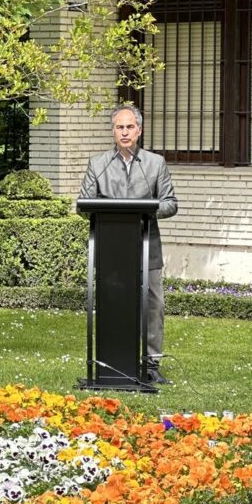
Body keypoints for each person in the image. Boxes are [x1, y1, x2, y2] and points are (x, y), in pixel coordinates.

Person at [80, 104, 178, 384]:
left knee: (153, 306)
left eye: (130, 127)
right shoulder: (98, 164)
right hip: (112, 249)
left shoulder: (155, 164)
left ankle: (151, 365)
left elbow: (170, 204)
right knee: (113, 303)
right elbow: (84, 204)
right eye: (119, 127)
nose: (124, 132)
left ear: (139, 130)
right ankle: (112, 361)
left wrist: (145, 210)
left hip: (147, 246)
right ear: (113, 131)